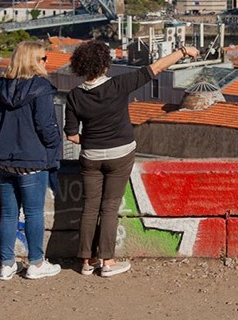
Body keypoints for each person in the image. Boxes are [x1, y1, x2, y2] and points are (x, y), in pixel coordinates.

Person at [65, 41, 200, 277]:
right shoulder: (119, 85)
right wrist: (183, 52)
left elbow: (72, 135)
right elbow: (155, 68)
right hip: (120, 153)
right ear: (105, 63)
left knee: (90, 207)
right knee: (109, 207)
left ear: (80, 66)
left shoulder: (75, 96)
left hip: (91, 155)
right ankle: (108, 262)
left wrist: (92, 140)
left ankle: (86, 261)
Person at [0, 40, 62, 280]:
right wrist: (53, 144)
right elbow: (46, 126)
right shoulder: (41, 88)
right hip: (31, 160)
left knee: (9, 213)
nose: (46, 62)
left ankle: (6, 264)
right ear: (34, 61)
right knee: (33, 213)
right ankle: (36, 263)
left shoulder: (0, 87)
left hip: (3, 160)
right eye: (43, 58)